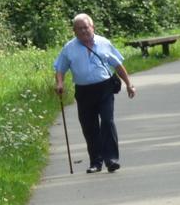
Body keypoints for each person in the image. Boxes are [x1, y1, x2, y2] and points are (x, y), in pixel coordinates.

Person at [54, 13, 136, 173]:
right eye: (79, 29)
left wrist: (129, 84)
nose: (84, 31)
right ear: (74, 31)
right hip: (84, 91)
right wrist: (60, 83)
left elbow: (118, 65)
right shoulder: (69, 48)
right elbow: (60, 67)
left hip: (104, 88)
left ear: (92, 27)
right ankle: (95, 162)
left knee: (107, 121)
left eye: (86, 27)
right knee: (89, 127)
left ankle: (111, 159)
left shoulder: (104, 43)